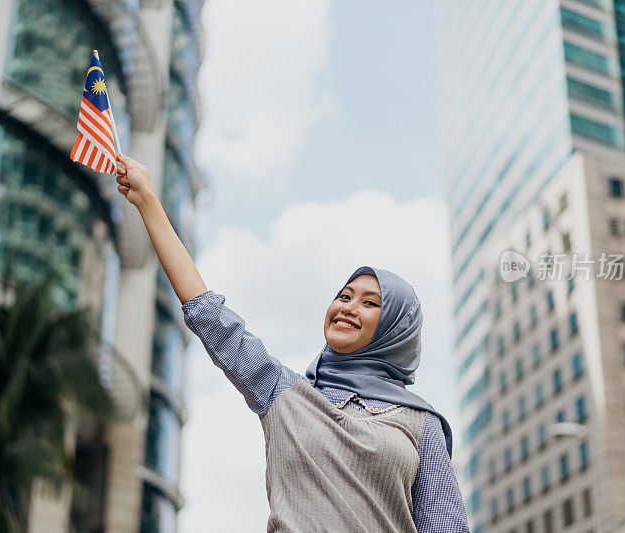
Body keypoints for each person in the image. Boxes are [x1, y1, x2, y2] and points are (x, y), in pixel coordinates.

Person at [115, 154, 470, 532]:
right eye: (344, 296)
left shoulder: (420, 422)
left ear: (396, 329)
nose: (347, 308)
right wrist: (147, 201)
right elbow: (208, 315)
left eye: (370, 303)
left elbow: (445, 525)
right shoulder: (284, 394)